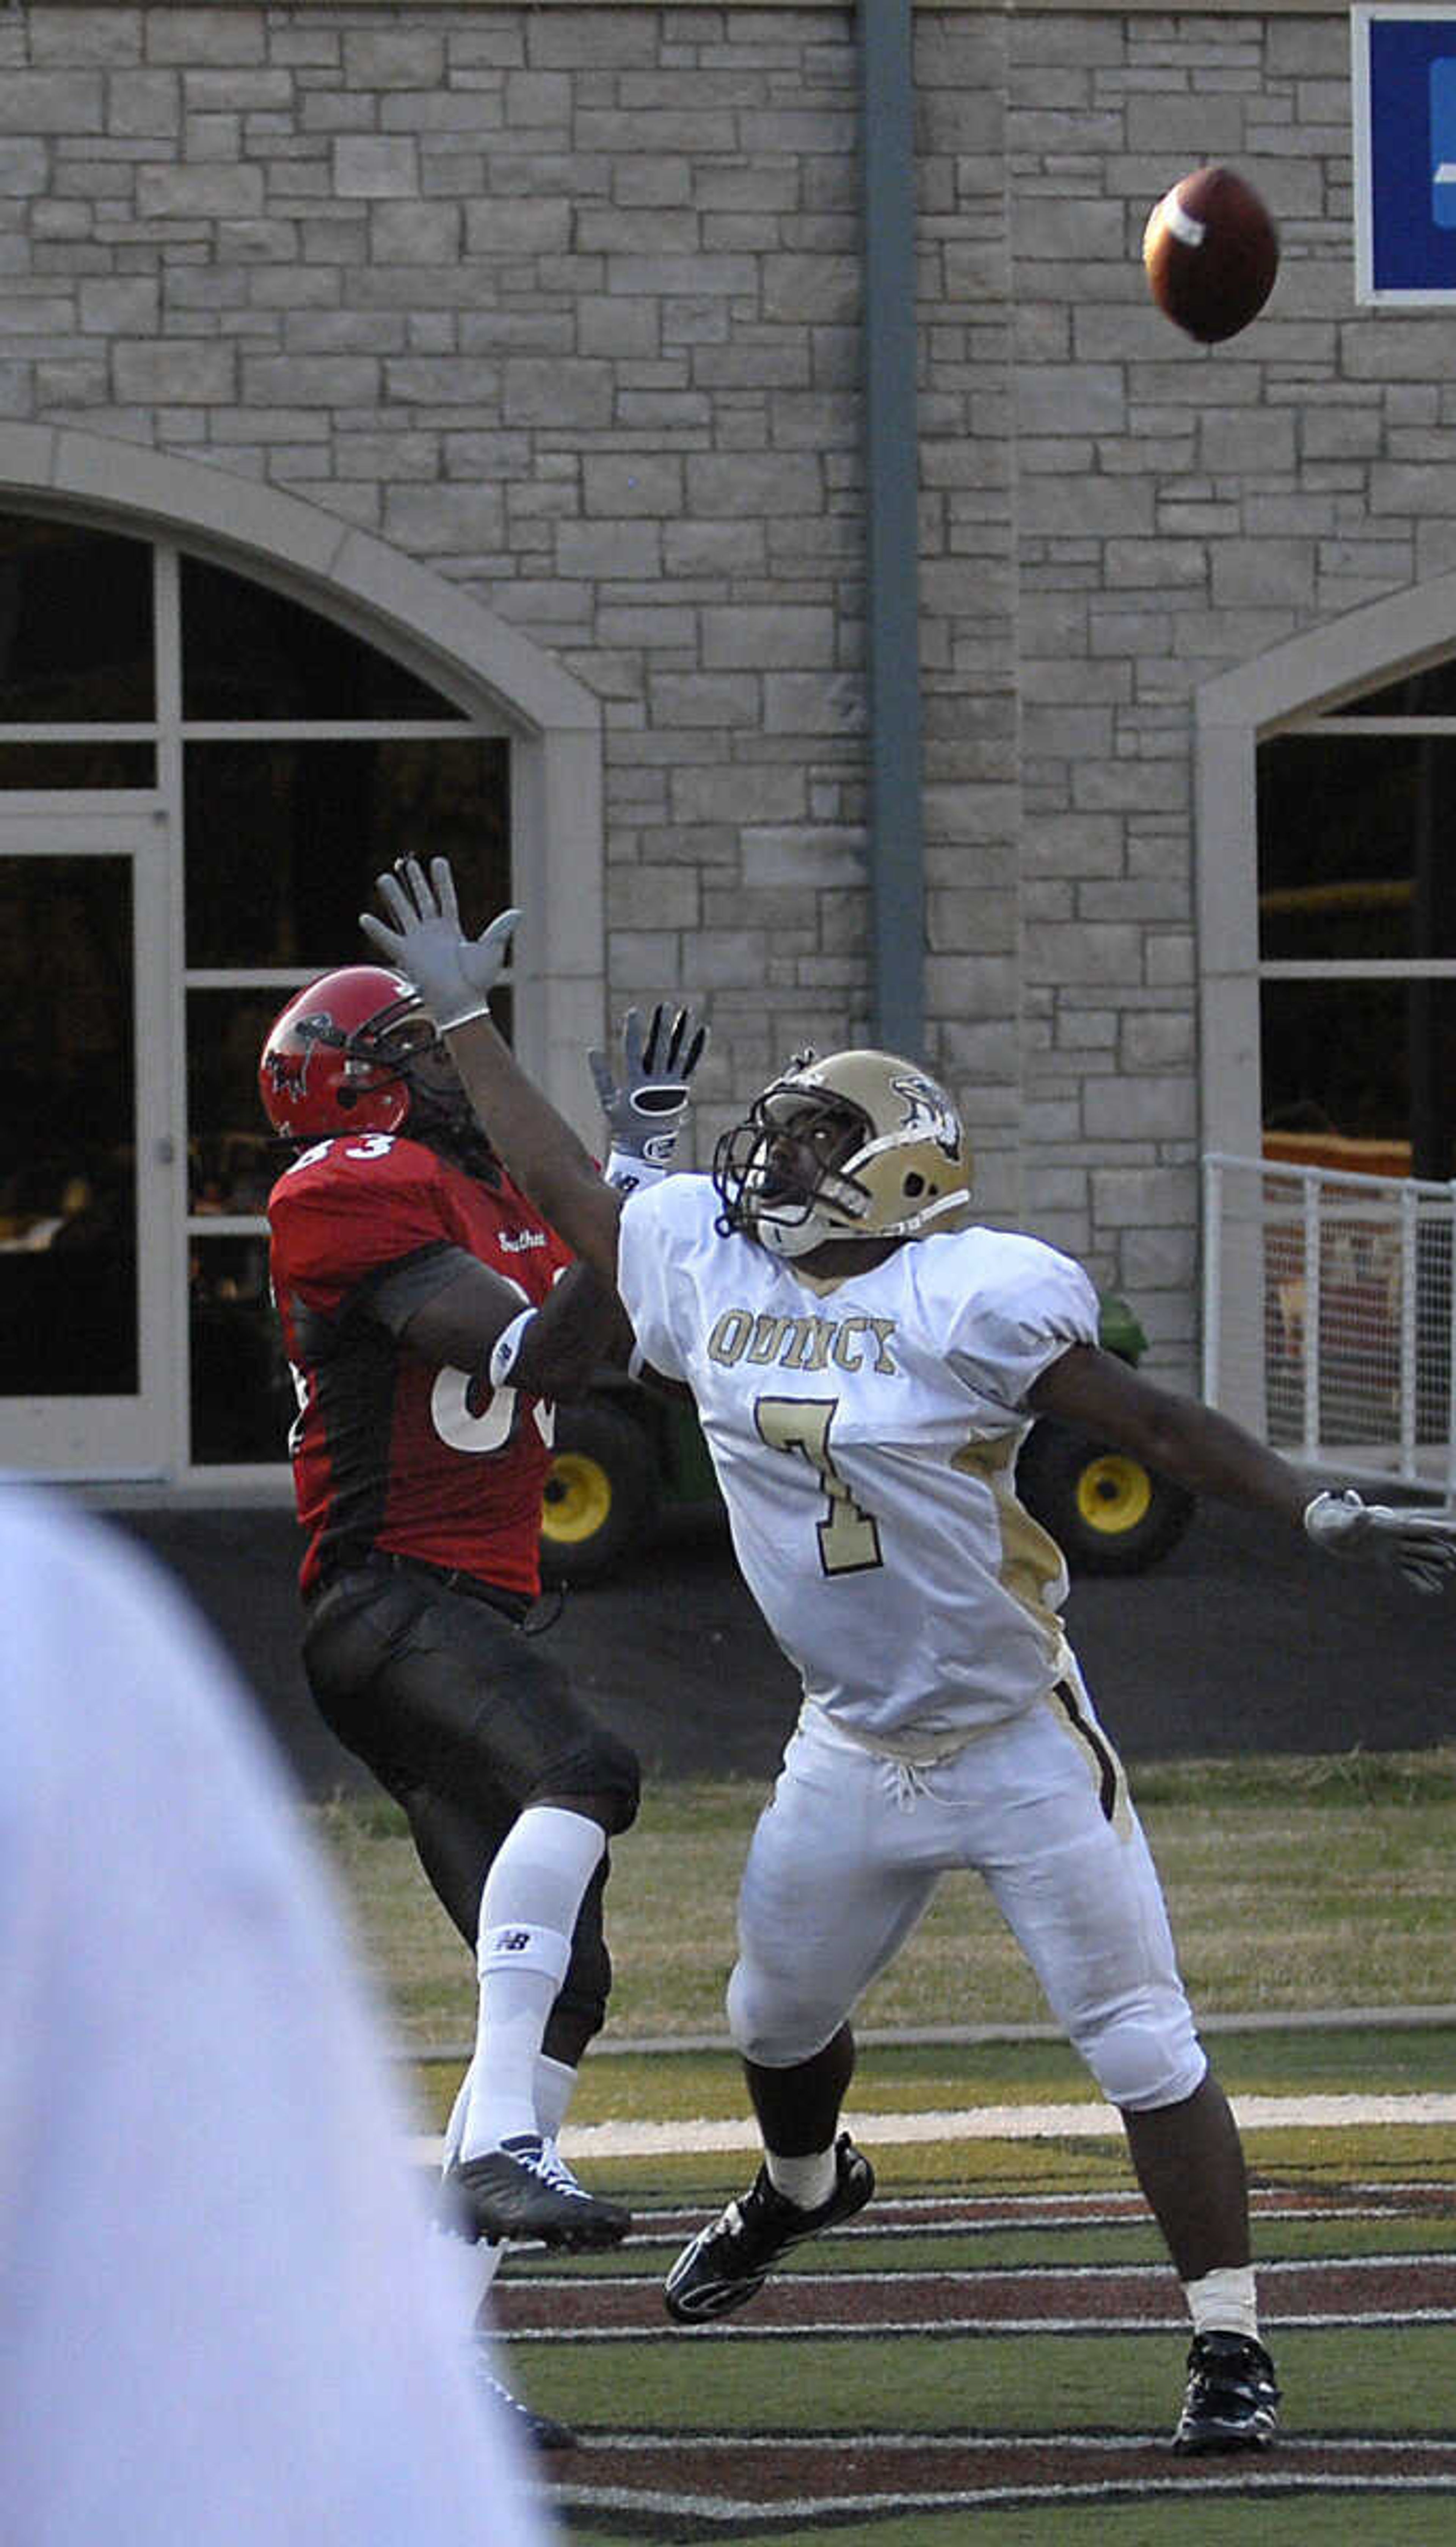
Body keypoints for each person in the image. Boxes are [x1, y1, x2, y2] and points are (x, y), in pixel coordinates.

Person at [361, 855, 1456, 2459]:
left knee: (1144, 2040)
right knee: (771, 2020)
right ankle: (807, 2186)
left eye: (815, 1140)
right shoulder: (712, 1266)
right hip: (850, 1741)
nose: (777, 1154)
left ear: (897, 1180)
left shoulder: (973, 1296)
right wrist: (464, 1016)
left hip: (1014, 1735)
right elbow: (566, 1195)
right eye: (784, 1128)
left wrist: (1307, 1502)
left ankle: (1231, 2347)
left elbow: (1149, 1421)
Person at [258, 959, 703, 2443]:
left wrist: (628, 1190)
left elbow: (618, 1341)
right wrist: (611, 1196)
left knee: (566, 1985)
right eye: (419, 1046)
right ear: (356, 1081)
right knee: (587, 1761)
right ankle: (504, 2143)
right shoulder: (352, 1181)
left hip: (457, 1614)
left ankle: (431, 2374)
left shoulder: (483, 1194)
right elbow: (525, 1349)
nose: (461, 1062)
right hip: (389, 1601)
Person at [0, 1480, 555, 2547]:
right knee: (582, 1786)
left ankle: (515, 2143)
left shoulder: (61, 1643)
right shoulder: (53, 1647)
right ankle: (507, 2146)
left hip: (414, 1598)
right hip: (390, 1595)